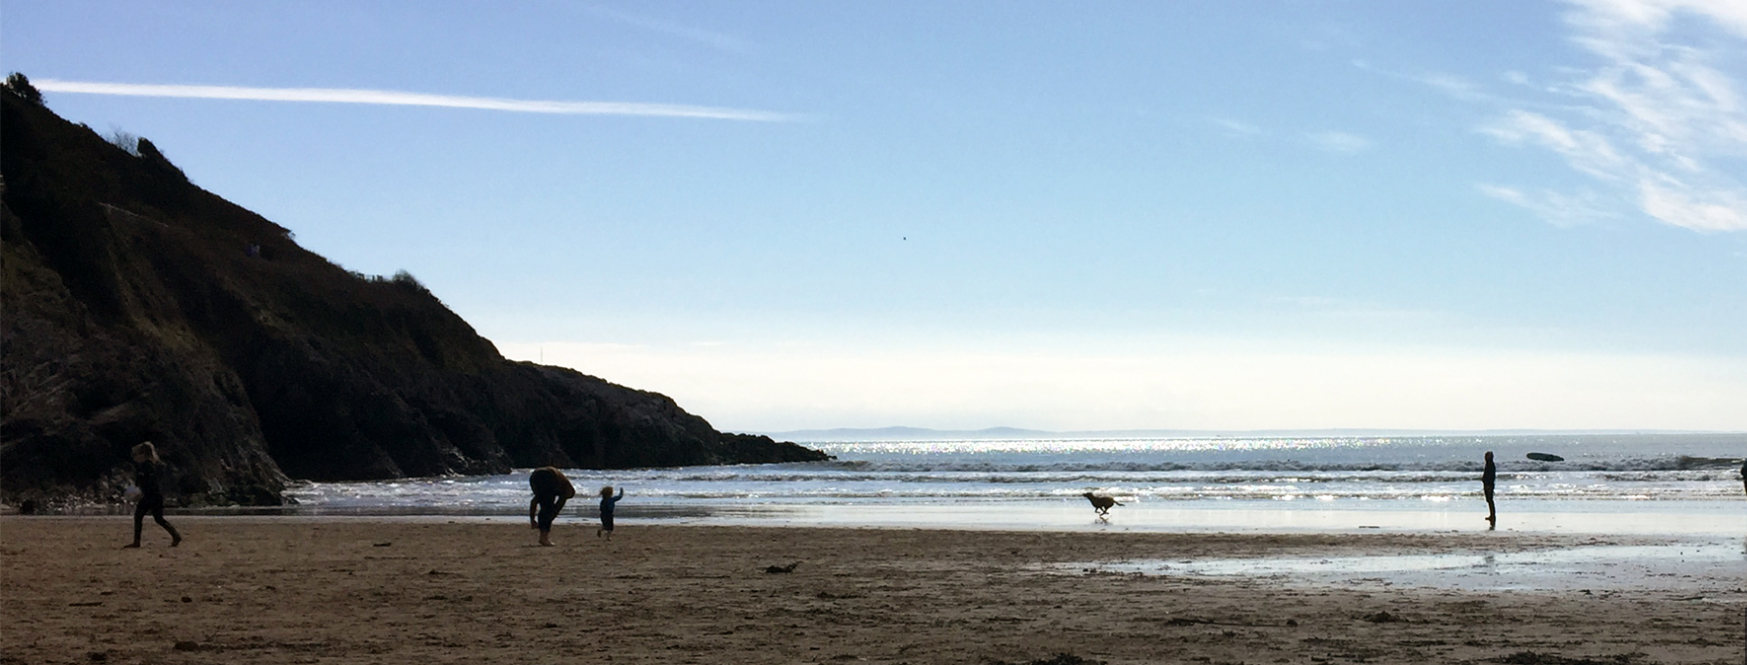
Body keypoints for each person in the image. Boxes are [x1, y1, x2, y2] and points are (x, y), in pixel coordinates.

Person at [125, 442, 181, 548]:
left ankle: (137, 542)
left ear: (142, 454)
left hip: (151, 495)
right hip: (153, 495)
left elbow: (150, 482)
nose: (134, 457)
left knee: (144, 517)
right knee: (155, 518)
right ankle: (175, 536)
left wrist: (140, 494)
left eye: (135, 454)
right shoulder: (150, 465)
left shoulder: (147, 466)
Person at [528, 467, 575, 546]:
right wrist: (549, 518)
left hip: (535, 475)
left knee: (541, 501)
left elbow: (534, 501)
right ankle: (544, 537)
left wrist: (532, 519)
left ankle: (542, 535)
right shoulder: (566, 490)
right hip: (549, 476)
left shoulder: (562, 484)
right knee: (547, 508)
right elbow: (555, 510)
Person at [1482, 451, 1497, 530]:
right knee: (1489, 500)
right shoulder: (1488, 464)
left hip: (1489, 485)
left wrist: (1489, 485)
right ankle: (1492, 515)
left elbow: (1491, 476)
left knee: (1490, 500)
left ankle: (1493, 515)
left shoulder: (1490, 465)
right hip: (1487, 484)